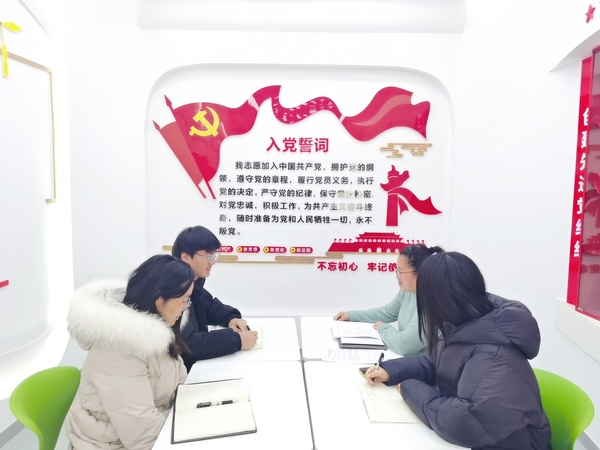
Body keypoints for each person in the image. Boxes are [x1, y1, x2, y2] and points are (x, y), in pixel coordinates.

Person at [364, 252, 551, 450]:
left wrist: (410, 388)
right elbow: (434, 361)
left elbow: (463, 421)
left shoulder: (493, 356)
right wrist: (391, 370)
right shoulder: (464, 322)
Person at [65, 255, 194, 450]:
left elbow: (179, 383)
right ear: (159, 298)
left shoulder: (158, 333)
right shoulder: (119, 350)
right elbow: (142, 436)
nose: (185, 307)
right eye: (183, 300)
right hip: (109, 445)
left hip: (149, 431)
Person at [333, 244, 444, 356]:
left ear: (420, 273)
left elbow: (404, 345)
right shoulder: (409, 291)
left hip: (428, 364)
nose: (397, 276)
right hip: (408, 360)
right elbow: (387, 312)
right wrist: (351, 316)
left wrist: (383, 328)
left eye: (400, 272)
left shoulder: (435, 304)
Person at [172, 226, 258, 370]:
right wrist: (237, 340)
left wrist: (231, 318)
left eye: (214, 256)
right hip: (181, 373)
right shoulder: (173, 290)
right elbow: (188, 344)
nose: (213, 262)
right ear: (186, 257)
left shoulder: (193, 282)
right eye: (208, 256)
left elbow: (210, 306)